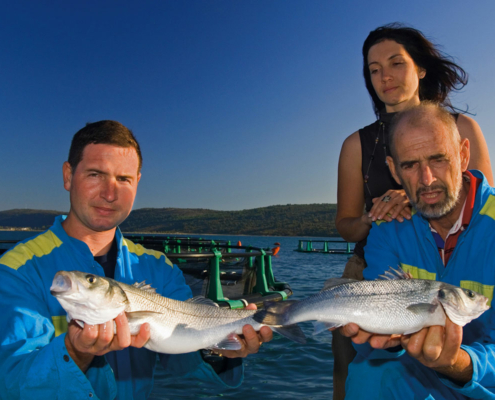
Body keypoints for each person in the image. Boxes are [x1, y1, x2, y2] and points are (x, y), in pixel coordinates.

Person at [0, 120, 272, 400]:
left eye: (123, 179)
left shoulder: (158, 267)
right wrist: (75, 353)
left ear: (138, 182)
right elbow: (9, 383)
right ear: (68, 176)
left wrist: (220, 349)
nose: (109, 193)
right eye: (95, 174)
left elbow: (181, 358)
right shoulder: (16, 270)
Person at [332, 23, 493, 400]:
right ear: (393, 166)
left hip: (460, 262)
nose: (384, 76)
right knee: (356, 369)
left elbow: (480, 204)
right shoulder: (358, 144)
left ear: (420, 67)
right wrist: (376, 217)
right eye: (374, 69)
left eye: (395, 63)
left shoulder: (463, 125)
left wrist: (426, 198)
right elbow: (345, 224)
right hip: (381, 260)